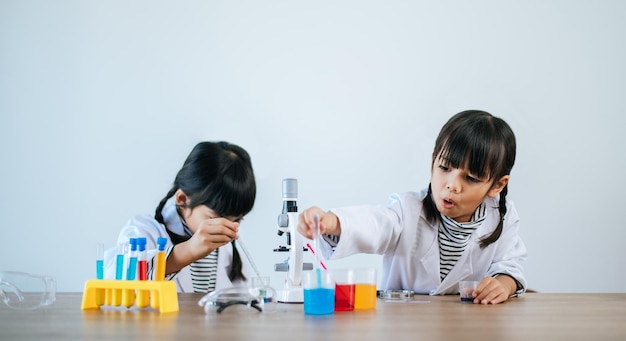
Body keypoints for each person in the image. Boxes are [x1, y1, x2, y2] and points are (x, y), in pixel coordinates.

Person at [298, 110, 527, 304]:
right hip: (404, 325)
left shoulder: (501, 217)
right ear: (433, 161)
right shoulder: (407, 210)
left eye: (471, 178)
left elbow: (510, 265)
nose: (452, 185)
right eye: (445, 168)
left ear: (497, 185)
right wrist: (333, 222)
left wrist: (502, 285)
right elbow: (376, 224)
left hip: (469, 328)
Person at [104, 141, 257, 292]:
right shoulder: (144, 231)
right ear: (182, 199)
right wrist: (188, 251)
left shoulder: (228, 253)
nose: (226, 228)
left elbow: (246, 301)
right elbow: (117, 281)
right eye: (214, 219)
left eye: (237, 220)